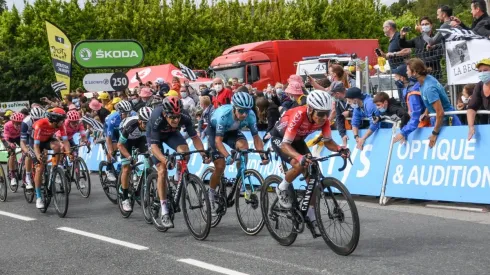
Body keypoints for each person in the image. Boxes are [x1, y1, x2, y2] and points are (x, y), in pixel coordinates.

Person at [269, 90, 349, 233]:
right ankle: (282, 187)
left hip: (298, 140)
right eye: (320, 114)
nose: (324, 117)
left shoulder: (323, 119)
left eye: (326, 113)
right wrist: (299, 158)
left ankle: (310, 214)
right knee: (298, 164)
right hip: (280, 140)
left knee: (313, 176)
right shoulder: (299, 115)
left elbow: (328, 141)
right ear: (310, 109)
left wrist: (339, 148)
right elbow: (286, 145)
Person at [148, 97, 209, 228]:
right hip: (155, 138)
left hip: (171, 134)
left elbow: (195, 138)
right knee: (162, 170)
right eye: (172, 117)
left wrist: (203, 153)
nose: (176, 120)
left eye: (177, 117)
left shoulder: (184, 116)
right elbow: (154, 147)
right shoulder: (156, 117)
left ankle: (178, 177)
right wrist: (165, 160)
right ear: (165, 114)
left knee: (185, 151)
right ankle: (164, 210)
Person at [207, 92, 269, 217]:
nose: (244, 114)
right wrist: (227, 155)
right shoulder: (224, 116)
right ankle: (211, 196)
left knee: (244, 147)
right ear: (234, 108)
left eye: (246, 110)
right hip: (215, 131)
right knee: (220, 165)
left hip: (232, 131)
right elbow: (218, 141)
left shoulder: (250, 115)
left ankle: (239, 178)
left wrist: (263, 155)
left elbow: (256, 138)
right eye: (241, 111)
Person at [406, 58, 461, 148]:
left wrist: (434, 133)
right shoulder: (426, 79)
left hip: (446, 121)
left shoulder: (429, 88)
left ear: (415, 72)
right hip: (441, 119)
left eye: (407, 70)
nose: (406, 72)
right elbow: (432, 101)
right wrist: (426, 112)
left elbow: (440, 112)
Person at [32, 108, 72, 209]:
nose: (63, 122)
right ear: (55, 120)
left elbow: (65, 141)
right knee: (39, 168)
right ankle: (39, 197)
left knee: (58, 146)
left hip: (48, 139)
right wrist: (38, 156)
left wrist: (68, 153)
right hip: (37, 143)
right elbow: (36, 146)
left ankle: (55, 168)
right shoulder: (39, 124)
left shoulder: (60, 125)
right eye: (62, 120)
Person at [117, 107, 153, 212]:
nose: (148, 127)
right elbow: (120, 145)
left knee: (148, 157)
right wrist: (129, 157)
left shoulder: (149, 126)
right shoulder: (131, 125)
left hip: (141, 139)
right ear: (140, 121)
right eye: (145, 124)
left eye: (149, 124)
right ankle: (124, 197)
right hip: (126, 141)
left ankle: (143, 186)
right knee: (127, 168)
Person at [390, 64, 428, 144]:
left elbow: (415, 116)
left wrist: (403, 133)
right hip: (420, 124)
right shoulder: (407, 90)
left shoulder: (413, 91)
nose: (395, 79)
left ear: (402, 78)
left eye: (396, 76)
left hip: (426, 124)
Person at [400, 16, 443, 81]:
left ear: (431, 25)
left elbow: (438, 57)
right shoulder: (417, 39)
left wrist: (421, 61)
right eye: (422, 24)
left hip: (434, 72)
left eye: (426, 24)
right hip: (420, 73)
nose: (424, 26)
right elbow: (403, 44)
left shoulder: (436, 39)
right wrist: (402, 36)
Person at [104, 100, 136, 182]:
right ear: (120, 112)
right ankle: (108, 168)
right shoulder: (113, 118)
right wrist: (111, 151)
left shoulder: (134, 114)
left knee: (128, 146)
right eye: (125, 114)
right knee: (114, 149)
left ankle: (122, 165)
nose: (128, 116)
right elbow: (109, 137)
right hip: (112, 129)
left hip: (122, 129)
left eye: (129, 113)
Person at [20, 107, 45, 189]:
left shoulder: (45, 120)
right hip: (29, 137)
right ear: (31, 118)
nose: (38, 121)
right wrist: (27, 150)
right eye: (36, 119)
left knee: (43, 154)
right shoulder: (26, 122)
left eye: (39, 119)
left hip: (40, 136)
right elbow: (22, 142)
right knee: (29, 154)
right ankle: (27, 177)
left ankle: (43, 174)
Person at [467, 58, 490, 140]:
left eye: (485, 70)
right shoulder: (479, 86)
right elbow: (472, 107)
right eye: (480, 71)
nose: (482, 73)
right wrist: (471, 127)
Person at [1, 112, 25, 187]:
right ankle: (12, 175)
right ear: (13, 122)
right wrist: (9, 144)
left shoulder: (23, 125)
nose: (18, 125)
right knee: (12, 153)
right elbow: (6, 138)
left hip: (18, 137)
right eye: (17, 123)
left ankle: (21, 161)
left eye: (20, 123)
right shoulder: (7, 125)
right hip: (8, 139)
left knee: (26, 149)